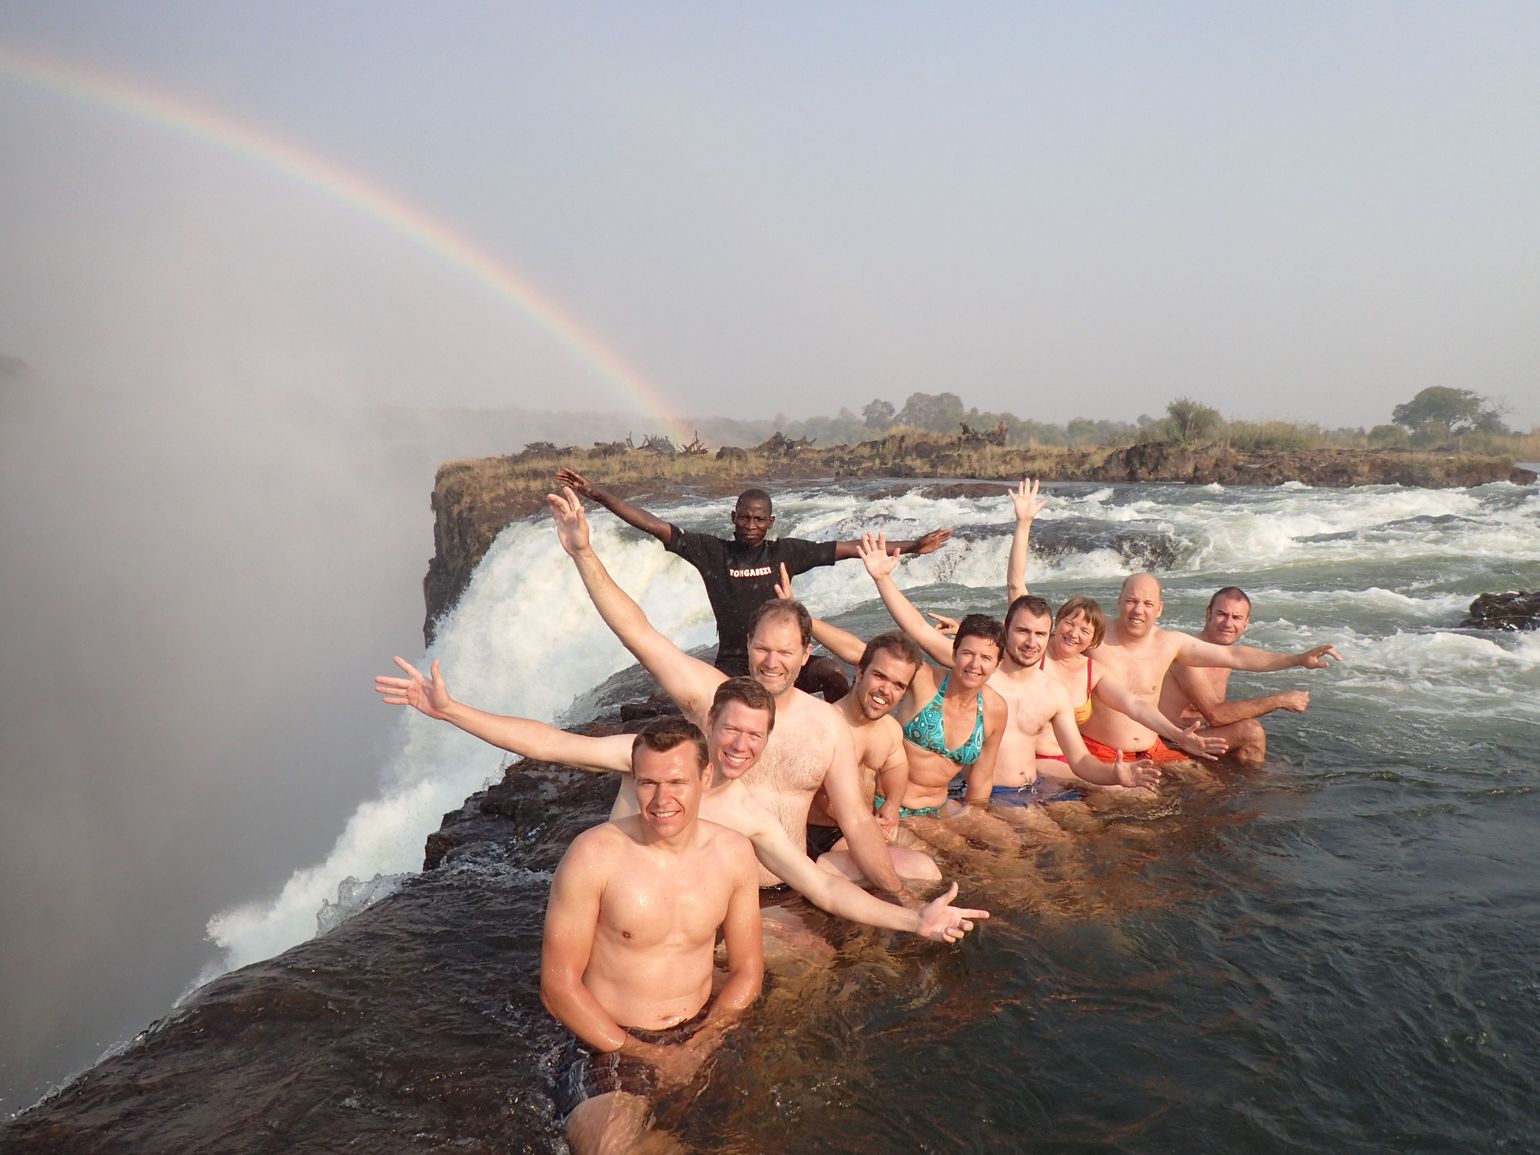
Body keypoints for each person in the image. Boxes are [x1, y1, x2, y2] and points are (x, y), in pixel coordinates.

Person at [375, 661, 983, 941]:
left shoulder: (747, 814)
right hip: (610, 933)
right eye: (731, 730)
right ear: (709, 723)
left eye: (755, 736)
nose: (741, 745)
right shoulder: (657, 757)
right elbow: (553, 744)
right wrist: (451, 711)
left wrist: (912, 918)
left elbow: (822, 887)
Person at [547, 485, 926, 899]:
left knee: (923, 875)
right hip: (712, 889)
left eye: (784, 652)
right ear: (747, 645)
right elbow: (638, 633)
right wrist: (583, 554)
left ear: (805, 653)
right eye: (762, 649)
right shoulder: (713, 699)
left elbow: (855, 820)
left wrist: (899, 898)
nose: (771, 662)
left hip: (789, 883)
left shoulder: (826, 726)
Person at [539, 716, 762, 1155]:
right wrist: (652, 1054)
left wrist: (707, 1037)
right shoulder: (594, 854)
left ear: (706, 776)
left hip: (702, 1031)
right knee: (612, 1150)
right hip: (610, 1040)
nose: (662, 800)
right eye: (648, 783)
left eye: (677, 782)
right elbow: (557, 987)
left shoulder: (733, 853)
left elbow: (747, 969)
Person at [555, 468, 952, 697]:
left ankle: (841, 743)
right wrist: (597, 495)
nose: (750, 525)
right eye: (744, 518)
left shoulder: (785, 553)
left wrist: (914, 546)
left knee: (831, 673)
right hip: (733, 663)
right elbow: (654, 525)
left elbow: (852, 548)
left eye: (759, 519)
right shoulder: (711, 551)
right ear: (733, 517)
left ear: (771, 522)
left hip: (785, 659)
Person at [1079, 572, 1341, 764]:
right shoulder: (1095, 634)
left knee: (1218, 793)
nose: (1138, 610)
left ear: (1159, 609)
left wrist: (1297, 659)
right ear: (1118, 601)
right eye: (1131, 601)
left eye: (1147, 604)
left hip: (1157, 748)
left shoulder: (1170, 643)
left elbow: (1237, 656)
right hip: (1115, 749)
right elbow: (1041, 633)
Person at [1158, 586, 1312, 768]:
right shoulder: (1187, 655)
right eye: (1222, 614)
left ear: (1246, 624)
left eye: (1236, 617)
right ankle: (1257, 788)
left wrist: (1301, 659)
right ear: (1208, 614)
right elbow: (1216, 715)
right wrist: (1280, 700)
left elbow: (1260, 659)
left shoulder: (1225, 654)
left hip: (1200, 734)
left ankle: (1249, 783)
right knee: (1250, 731)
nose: (1228, 624)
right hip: (1170, 740)